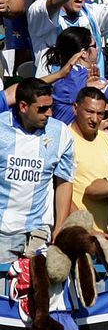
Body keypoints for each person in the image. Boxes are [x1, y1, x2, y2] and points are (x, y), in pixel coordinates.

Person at [0, 79, 75, 263]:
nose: (49, 113)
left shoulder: (61, 133)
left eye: (51, 107)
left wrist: (58, 228)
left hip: (39, 232)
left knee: (39, 290)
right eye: (42, 109)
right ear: (23, 106)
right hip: (3, 232)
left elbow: (64, 182)